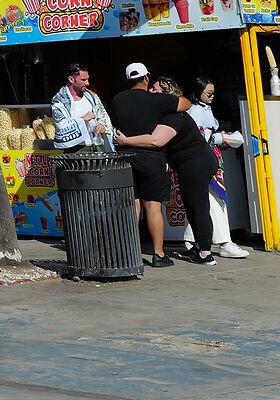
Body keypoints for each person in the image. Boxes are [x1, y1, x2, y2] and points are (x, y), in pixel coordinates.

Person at [119, 79, 219, 266]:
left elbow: (156, 140)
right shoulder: (163, 114)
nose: (149, 91)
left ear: (164, 93)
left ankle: (206, 253)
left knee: (198, 206)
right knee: (192, 206)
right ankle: (201, 248)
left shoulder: (173, 116)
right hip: (190, 163)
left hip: (196, 163)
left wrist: (126, 141)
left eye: (154, 89)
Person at [105, 63, 179, 267]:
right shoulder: (156, 99)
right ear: (147, 78)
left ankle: (129, 252)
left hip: (124, 157)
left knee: (132, 204)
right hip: (151, 157)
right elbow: (185, 104)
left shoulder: (117, 99)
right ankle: (158, 254)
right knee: (152, 206)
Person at [186, 77, 251, 258]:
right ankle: (224, 242)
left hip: (209, 159)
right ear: (198, 92)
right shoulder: (195, 111)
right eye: (209, 93)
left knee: (204, 202)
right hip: (203, 160)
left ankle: (194, 240)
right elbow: (197, 134)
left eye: (214, 93)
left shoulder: (204, 109)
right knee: (214, 200)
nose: (212, 96)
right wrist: (219, 138)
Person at [50, 63, 114, 153]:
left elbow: (102, 115)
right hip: (76, 148)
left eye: (87, 79)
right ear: (71, 79)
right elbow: (61, 125)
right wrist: (84, 119)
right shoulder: (59, 101)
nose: (87, 83)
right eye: (83, 80)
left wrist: (101, 125)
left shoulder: (91, 96)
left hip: (97, 145)